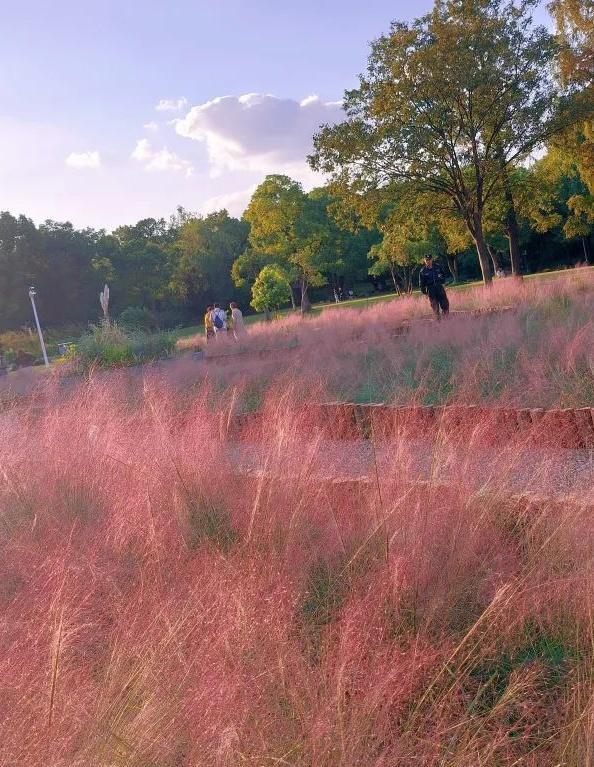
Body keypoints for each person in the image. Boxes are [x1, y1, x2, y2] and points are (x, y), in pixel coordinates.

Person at [419, 254, 449, 320]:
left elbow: (443, 275)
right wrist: (424, 292)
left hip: (439, 288)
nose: (428, 261)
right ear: (424, 261)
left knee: (445, 304)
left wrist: (443, 282)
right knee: (435, 307)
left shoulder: (437, 267)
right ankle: (438, 323)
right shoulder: (423, 271)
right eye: (426, 260)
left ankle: (447, 321)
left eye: (429, 260)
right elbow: (421, 284)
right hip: (431, 289)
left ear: (432, 259)